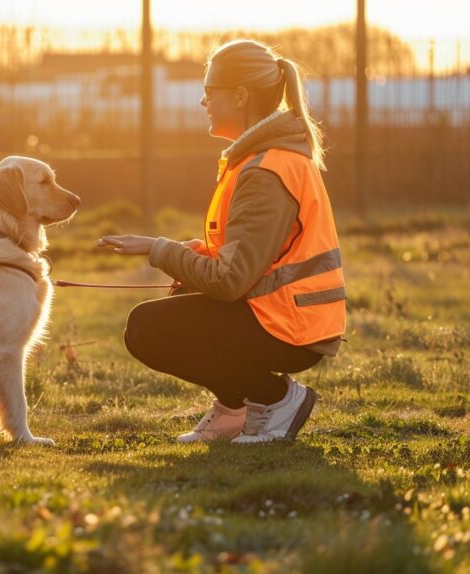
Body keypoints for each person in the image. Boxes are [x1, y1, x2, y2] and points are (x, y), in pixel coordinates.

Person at [97, 40, 346, 444]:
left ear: (240, 96)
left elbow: (231, 280)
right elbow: (248, 261)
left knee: (147, 328)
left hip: (291, 329)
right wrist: (191, 259)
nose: (202, 101)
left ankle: (277, 398)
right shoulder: (263, 159)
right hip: (287, 318)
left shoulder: (265, 170)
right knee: (152, 323)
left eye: (210, 92)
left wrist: (160, 250)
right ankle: (235, 410)